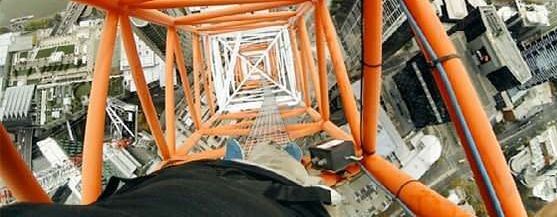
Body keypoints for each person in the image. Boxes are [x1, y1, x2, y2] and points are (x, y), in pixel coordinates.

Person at [1, 139, 340, 217]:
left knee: (277, 171)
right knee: (278, 167)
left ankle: (253, 164)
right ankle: (280, 164)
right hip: (261, 195)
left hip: (198, 186)